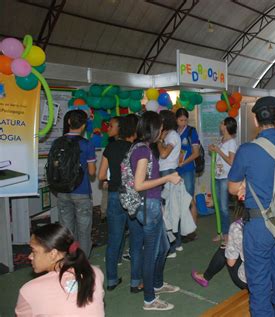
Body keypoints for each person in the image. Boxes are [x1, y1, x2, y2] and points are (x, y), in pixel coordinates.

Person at [228, 96, 275, 316]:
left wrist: (245, 185)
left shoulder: (247, 150)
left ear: (256, 122)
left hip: (259, 224)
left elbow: (232, 187)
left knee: (259, 288)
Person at [128, 111, 182, 311]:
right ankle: (149, 299)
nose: (163, 130)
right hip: (147, 205)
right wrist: (167, 178)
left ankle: (157, 284)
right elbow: (139, 184)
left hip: (153, 203)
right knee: (151, 253)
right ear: (154, 128)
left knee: (164, 247)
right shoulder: (142, 151)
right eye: (160, 126)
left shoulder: (145, 148)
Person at [15, 223, 104, 316]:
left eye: (34, 251)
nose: (30, 256)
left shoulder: (29, 290)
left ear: (53, 254)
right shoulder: (95, 273)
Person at [98, 115, 138, 290]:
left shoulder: (110, 147)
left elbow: (100, 176)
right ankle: (136, 281)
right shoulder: (136, 149)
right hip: (132, 196)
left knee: (114, 239)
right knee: (137, 238)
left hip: (114, 195)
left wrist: (110, 180)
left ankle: (112, 280)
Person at [56, 110, 96, 257]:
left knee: (66, 231)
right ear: (84, 125)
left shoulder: (57, 142)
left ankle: (68, 261)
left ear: (68, 123)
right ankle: (82, 264)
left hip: (62, 191)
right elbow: (92, 172)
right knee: (84, 231)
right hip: (82, 191)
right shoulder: (87, 144)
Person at [191, 202, 247, 290]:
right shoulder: (270, 220)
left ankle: (205, 277)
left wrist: (230, 246)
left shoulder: (237, 227)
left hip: (251, 281)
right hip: (271, 279)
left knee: (224, 250)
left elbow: (231, 262)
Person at [157, 110, 183, 258]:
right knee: (172, 209)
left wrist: (160, 141)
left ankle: (171, 247)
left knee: (168, 211)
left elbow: (164, 154)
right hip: (168, 172)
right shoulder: (171, 134)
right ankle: (177, 243)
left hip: (168, 172)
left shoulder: (172, 135)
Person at [208, 117, 238, 244]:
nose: (220, 125)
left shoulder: (232, 142)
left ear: (226, 126)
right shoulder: (222, 140)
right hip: (217, 176)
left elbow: (231, 161)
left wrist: (218, 151)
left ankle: (227, 235)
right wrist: (214, 149)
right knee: (219, 207)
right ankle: (221, 232)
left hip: (225, 177)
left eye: (222, 123)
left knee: (224, 208)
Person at [176, 108, 200, 241]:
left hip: (188, 169)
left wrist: (183, 162)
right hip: (176, 171)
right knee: (178, 201)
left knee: (190, 200)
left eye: (185, 120)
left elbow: (196, 153)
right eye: (181, 120)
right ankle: (182, 230)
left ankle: (192, 231)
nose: (183, 122)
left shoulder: (191, 131)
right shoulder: (172, 132)